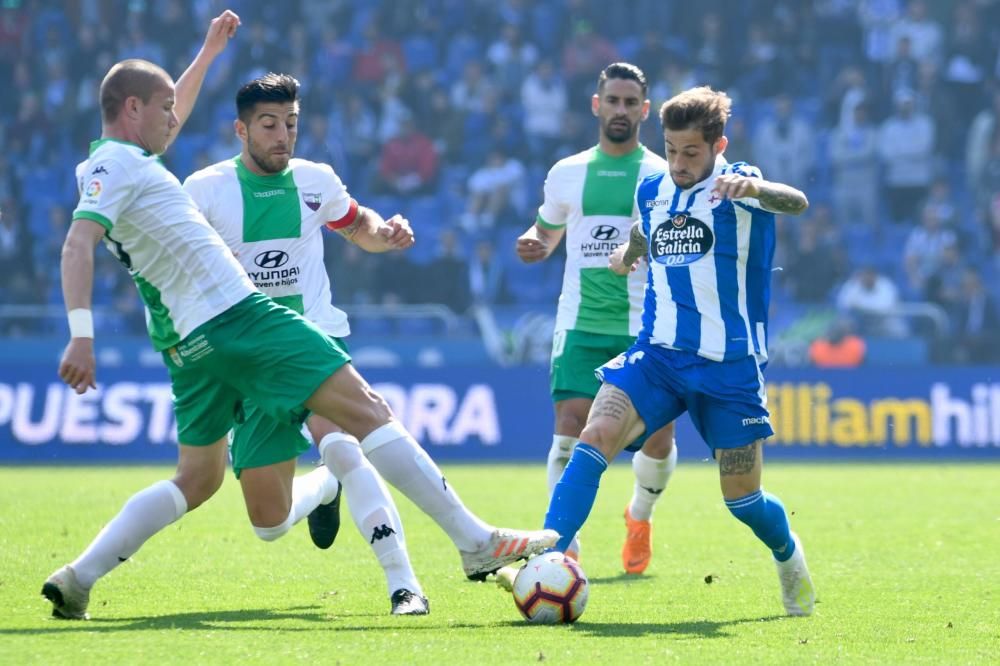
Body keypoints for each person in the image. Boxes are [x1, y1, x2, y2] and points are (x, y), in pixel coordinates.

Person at [42, 15, 556, 621]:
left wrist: (207, 51)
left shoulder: (114, 164)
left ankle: (79, 577)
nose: (174, 117)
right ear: (132, 108)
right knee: (366, 412)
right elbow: (77, 245)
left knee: (200, 479)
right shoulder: (126, 169)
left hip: (185, 343)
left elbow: (164, 112)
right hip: (239, 317)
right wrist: (81, 336)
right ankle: (474, 541)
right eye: (163, 110)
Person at [541, 86, 816, 616]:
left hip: (729, 366)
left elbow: (797, 202)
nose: (679, 163)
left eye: (691, 152)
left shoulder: (743, 185)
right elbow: (648, 233)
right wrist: (626, 254)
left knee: (743, 500)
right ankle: (549, 557)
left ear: (718, 145)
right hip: (659, 356)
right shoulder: (653, 188)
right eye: (670, 150)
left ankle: (788, 557)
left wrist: (753, 187)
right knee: (592, 436)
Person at [182, 73, 427, 615]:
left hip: (315, 336)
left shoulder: (316, 180)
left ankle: (403, 583)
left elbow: (355, 222)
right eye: (269, 125)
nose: (283, 135)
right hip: (249, 358)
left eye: (291, 124)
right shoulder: (203, 191)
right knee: (268, 524)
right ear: (240, 129)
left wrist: (383, 233)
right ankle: (322, 489)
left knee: (343, 443)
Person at [513, 63, 679, 575]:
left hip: (645, 325)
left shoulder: (661, 174)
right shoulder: (567, 172)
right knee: (568, 426)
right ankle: (563, 541)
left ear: (645, 111)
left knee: (658, 439)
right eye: (614, 101)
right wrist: (534, 244)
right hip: (580, 324)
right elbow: (547, 230)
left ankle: (640, 516)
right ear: (597, 104)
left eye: (632, 103)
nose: (622, 110)